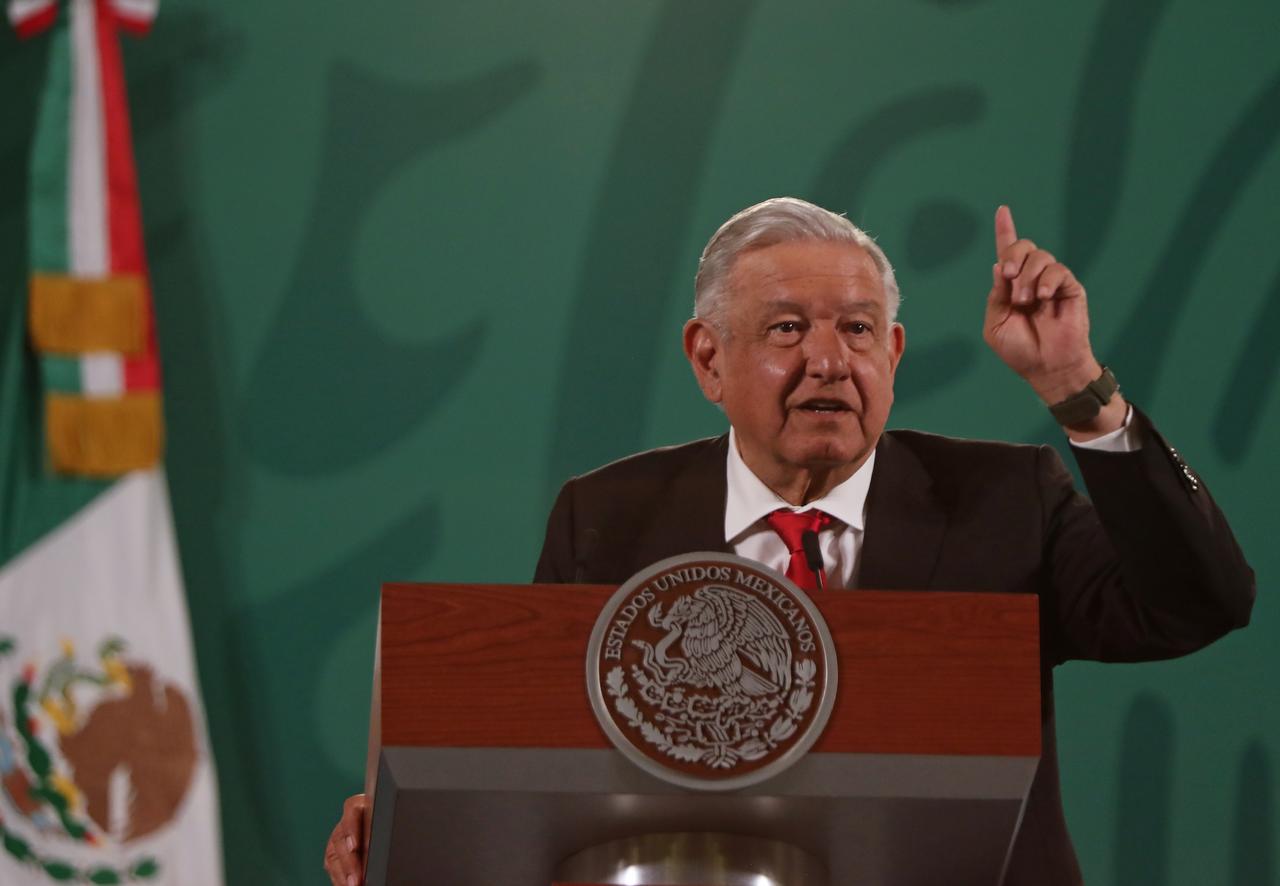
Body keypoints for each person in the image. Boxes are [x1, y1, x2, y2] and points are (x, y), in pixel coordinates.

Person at [325, 198, 1254, 886]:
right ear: (708, 359)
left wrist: (1078, 389)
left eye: (857, 330)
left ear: (892, 355)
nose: (829, 360)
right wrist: (409, 823)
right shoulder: (605, 518)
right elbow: (544, 764)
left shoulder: (1007, 501)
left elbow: (1199, 603)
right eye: (786, 330)